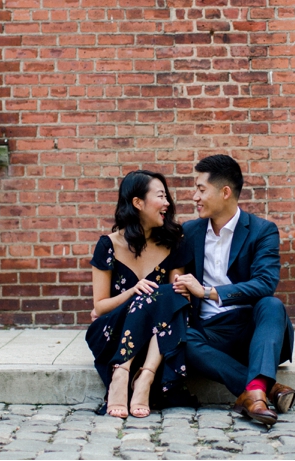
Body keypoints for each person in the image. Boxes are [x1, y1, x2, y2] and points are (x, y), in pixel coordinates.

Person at [173, 154, 295, 426]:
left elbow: (265, 283)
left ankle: (253, 390)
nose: (195, 196)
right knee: (182, 338)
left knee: (271, 304)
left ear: (225, 192)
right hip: (209, 333)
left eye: (201, 189)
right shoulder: (190, 231)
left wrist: (207, 292)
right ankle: (261, 389)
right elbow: (173, 271)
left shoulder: (262, 231)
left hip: (251, 330)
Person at [85, 170, 193, 418]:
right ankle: (122, 373)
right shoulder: (108, 245)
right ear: (137, 203)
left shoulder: (174, 242)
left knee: (170, 292)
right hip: (113, 332)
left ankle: (143, 377)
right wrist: (134, 291)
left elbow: (177, 297)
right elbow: (100, 307)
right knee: (151, 293)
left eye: (166, 197)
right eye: (160, 196)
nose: (167, 203)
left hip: (155, 339)